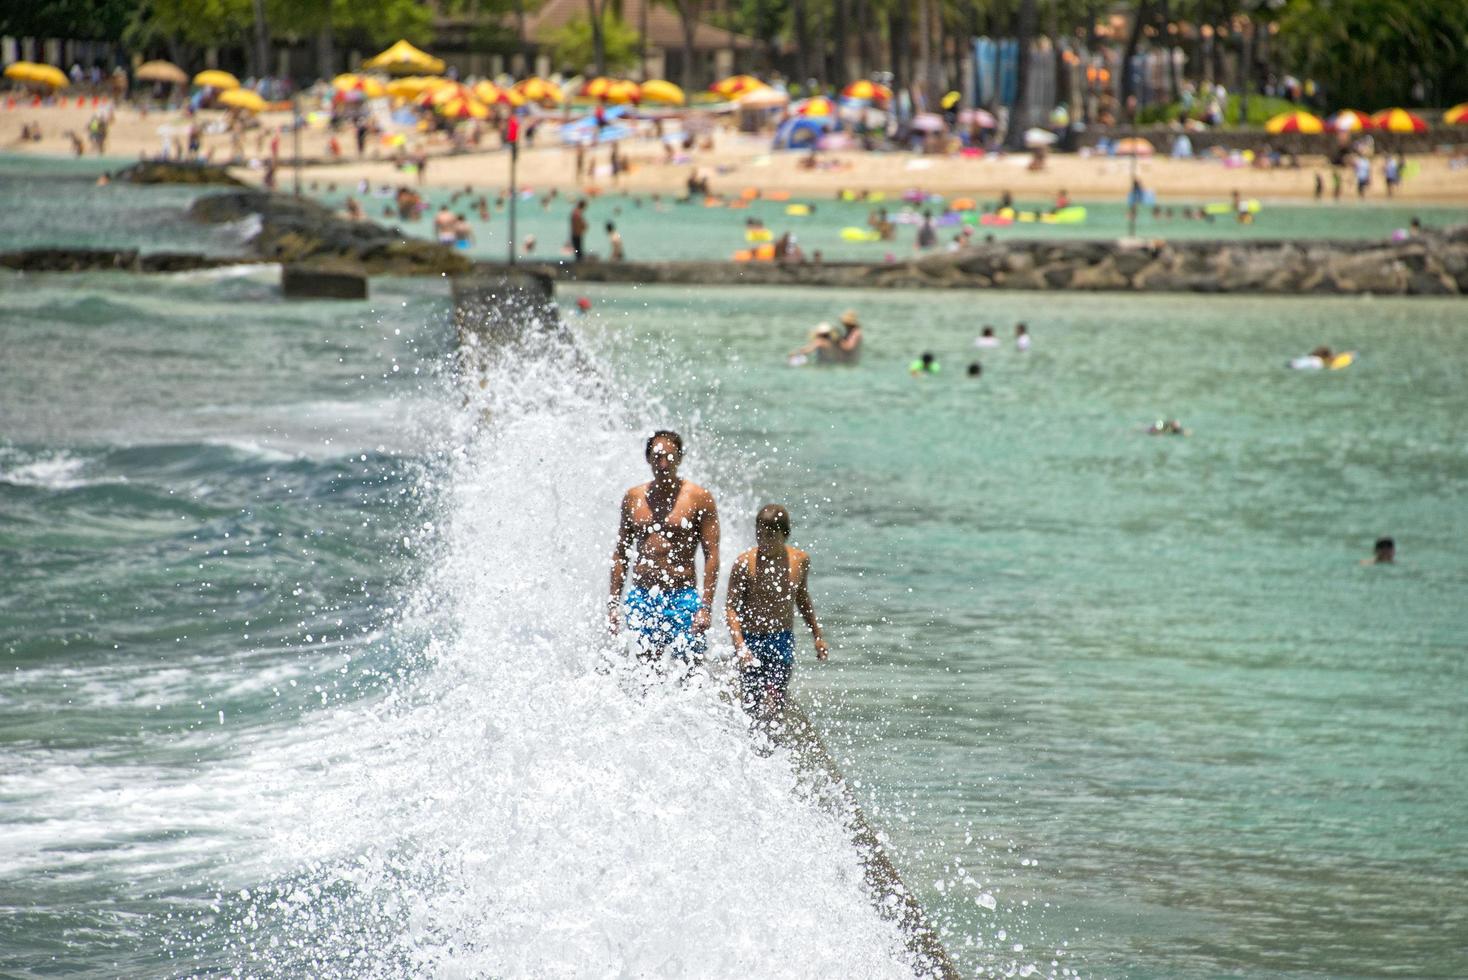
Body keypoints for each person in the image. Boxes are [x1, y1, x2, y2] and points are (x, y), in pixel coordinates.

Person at [609, 431, 721, 666]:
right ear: (648, 459)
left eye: (669, 457)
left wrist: (706, 607)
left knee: (691, 668)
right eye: (657, 457)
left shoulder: (700, 498)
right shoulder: (633, 498)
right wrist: (613, 604)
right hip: (642, 596)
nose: (663, 463)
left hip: (683, 596)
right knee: (646, 671)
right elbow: (621, 553)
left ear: (679, 458)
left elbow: (711, 555)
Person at [726, 504, 828, 713]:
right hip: (751, 639)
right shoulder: (744, 563)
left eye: (771, 536)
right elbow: (730, 608)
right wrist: (740, 645)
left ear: (785, 534)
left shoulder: (800, 561)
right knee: (752, 703)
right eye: (759, 535)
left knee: (775, 699)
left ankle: (772, 742)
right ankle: (752, 742)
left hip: (781, 639)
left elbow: (802, 597)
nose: (764, 542)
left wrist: (817, 636)